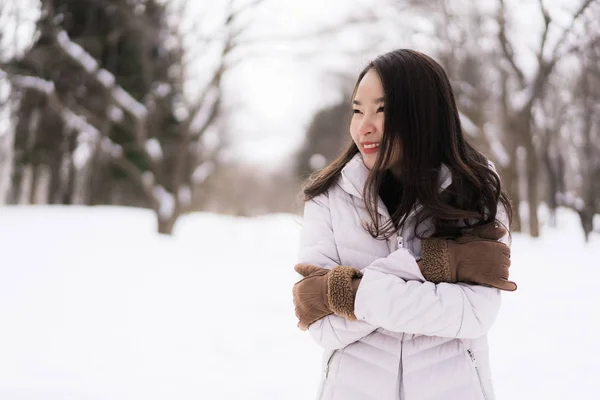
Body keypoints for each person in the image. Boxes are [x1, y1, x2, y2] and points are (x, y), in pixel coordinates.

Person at [292, 49, 517, 400]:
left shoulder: (474, 189)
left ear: (423, 113)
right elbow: (322, 325)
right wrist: (440, 266)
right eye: (357, 110)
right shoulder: (328, 194)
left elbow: (474, 313)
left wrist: (347, 293)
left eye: (382, 110)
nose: (364, 126)